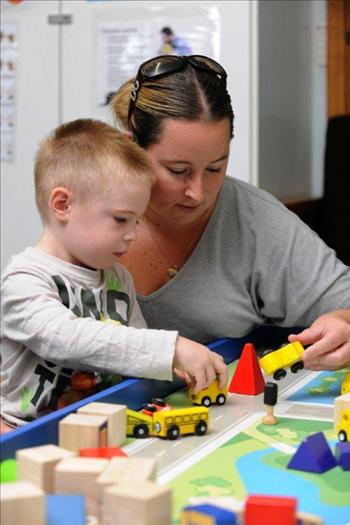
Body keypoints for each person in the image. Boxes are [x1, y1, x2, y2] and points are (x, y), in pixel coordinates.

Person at [110, 54, 350, 372]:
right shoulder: (89, 207)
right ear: (131, 151)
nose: (198, 192)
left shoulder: (255, 220)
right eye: (177, 170)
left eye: (215, 167)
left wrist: (342, 321)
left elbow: (344, 300)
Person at [0, 118, 227, 429]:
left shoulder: (117, 277)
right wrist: (170, 350)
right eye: (121, 219)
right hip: (22, 433)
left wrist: (174, 368)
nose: (133, 234)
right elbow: (64, 339)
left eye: (136, 220)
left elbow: (136, 346)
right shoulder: (24, 279)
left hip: (103, 425)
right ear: (63, 204)